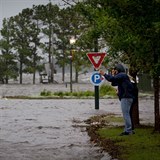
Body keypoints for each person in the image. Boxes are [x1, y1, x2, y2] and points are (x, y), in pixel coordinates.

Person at [99, 64, 135, 136]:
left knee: (126, 115)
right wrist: (113, 75)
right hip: (127, 97)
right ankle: (128, 130)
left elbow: (111, 79)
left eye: (114, 70)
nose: (113, 71)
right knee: (127, 114)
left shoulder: (122, 75)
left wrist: (104, 74)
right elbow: (113, 83)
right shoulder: (122, 76)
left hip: (126, 98)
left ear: (117, 70)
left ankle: (128, 131)